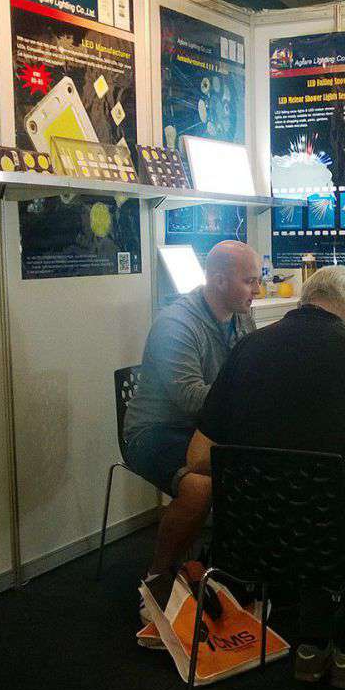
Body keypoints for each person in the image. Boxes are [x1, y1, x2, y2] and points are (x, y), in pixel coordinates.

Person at [185, 265, 345, 689]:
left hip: (251, 538)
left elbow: (198, 459)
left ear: (304, 300)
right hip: (336, 537)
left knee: (313, 517)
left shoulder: (247, 349)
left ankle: (310, 648)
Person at [124, 240, 261, 636]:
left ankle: (223, 568)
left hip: (205, 429)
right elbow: (189, 397)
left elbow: (248, 375)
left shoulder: (242, 317)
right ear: (218, 280)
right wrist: (251, 398)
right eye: (249, 281)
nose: (257, 289)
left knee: (261, 467)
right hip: (155, 432)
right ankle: (157, 578)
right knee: (200, 487)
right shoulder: (176, 324)